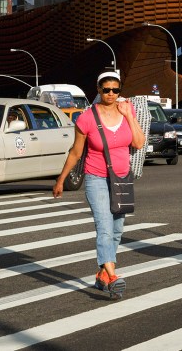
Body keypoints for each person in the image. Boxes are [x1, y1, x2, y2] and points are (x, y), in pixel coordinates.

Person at [54, 71, 146, 299]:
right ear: (98, 90)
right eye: (107, 90)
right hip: (96, 177)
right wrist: (61, 179)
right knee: (104, 227)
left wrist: (130, 116)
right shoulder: (86, 118)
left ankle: (102, 273)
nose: (112, 94)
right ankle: (113, 276)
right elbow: (76, 152)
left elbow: (139, 142)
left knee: (117, 229)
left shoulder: (127, 112)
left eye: (116, 90)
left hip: (122, 177)